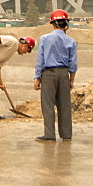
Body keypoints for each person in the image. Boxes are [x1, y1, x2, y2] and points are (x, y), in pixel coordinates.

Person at [33, 9, 77, 141]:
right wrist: (71, 80)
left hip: (48, 74)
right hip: (63, 74)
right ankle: (66, 134)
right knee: (64, 106)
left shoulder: (44, 39)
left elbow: (40, 60)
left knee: (48, 105)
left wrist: (37, 77)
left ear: (53, 24)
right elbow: (73, 63)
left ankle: (49, 135)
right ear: (66, 24)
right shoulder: (71, 41)